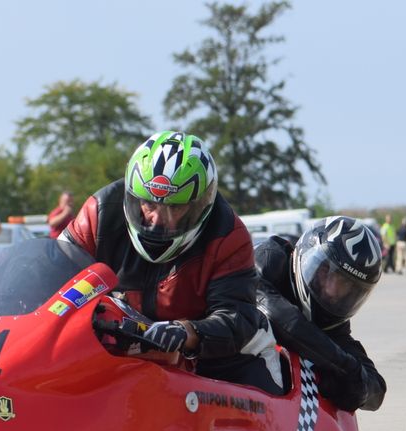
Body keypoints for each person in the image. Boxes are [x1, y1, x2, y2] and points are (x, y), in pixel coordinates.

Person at [60, 131, 283, 394]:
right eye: (148, 203)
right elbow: (53, 271)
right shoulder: (99, 212)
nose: (156, 219)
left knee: (253, 404)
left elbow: (236, 316)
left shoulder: (228, 236)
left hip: (209, 359)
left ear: (200, 205)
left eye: (175, 208)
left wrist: (188, 332)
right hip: (118, 345)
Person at [255, 216, 386, 411]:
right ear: (307, 256)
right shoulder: (268, 258)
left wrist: (356, 386)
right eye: (327, 272)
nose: (333, 291)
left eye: (348, 287)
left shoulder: (333, 325)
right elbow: (275, 311)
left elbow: (376, 391)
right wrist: (337, 362)